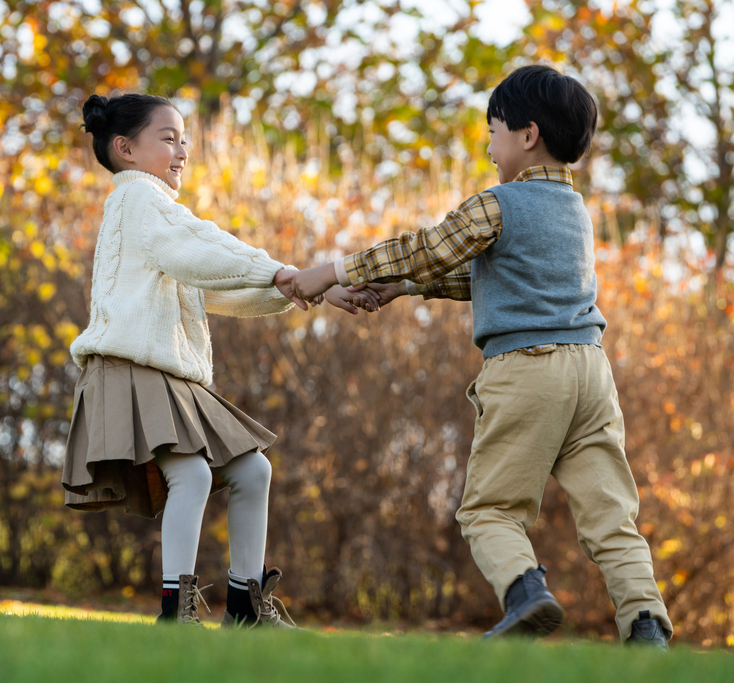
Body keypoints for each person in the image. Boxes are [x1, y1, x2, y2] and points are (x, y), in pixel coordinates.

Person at [286, 65, 672, 648]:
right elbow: (494, 277)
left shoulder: (500, 204)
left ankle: (525, 593)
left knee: (490, 510)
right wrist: (405, 288)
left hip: (528, 371)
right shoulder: (575, 212)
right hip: (591, 374)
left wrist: (330, 271)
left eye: (493, 131)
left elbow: (427, 247)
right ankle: (646, 625)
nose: (489, 148)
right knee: (610, 517)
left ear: (527, 135)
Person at [63, 92, 376, 628]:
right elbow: (199, 251)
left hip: (167, 376)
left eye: (185, 139)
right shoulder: (138, 200)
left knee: (253, 470)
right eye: (168, 138)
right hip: (131, 369)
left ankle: (244, 607)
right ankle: (175, 610)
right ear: (125, 148)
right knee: (192, 475)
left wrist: (298, 286)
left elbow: (217, 283)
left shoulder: (158, 210)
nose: (182, 150)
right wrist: (284, 274)